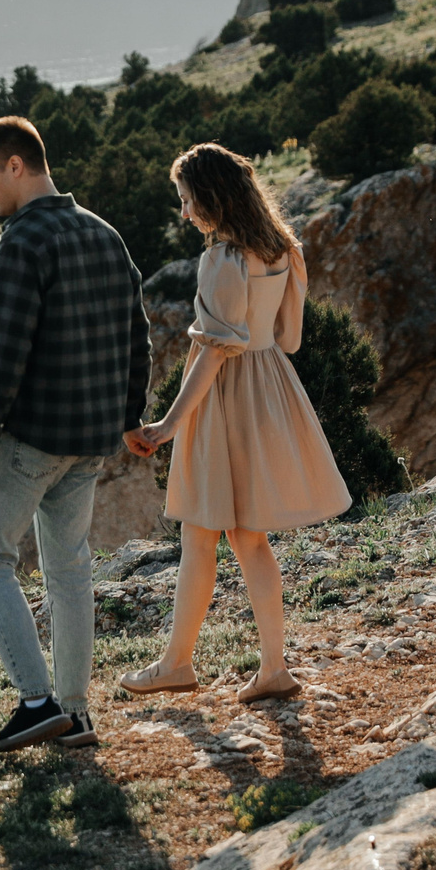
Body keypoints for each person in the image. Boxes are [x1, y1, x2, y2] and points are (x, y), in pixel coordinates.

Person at [0, 114, 152, 754]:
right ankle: (75, 714)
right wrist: (127, 417)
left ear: (16, 165)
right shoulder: (104, 235)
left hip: (28, 439)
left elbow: (2, 354)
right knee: (68, 572)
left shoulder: (21, 244)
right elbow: (136, 336)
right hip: (89, 440)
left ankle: (38, 704)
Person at [120, 143, 350, 701]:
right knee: (248, 538)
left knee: (201, 535)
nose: (184, 213)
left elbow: (214, 354)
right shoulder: (285, 252)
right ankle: (271, 668)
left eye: (187, 199)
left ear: (212, 196)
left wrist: (168, 425)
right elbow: (289, 340)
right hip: (270, 392)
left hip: (223, 402)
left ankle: (177, 663)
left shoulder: (223, 260)